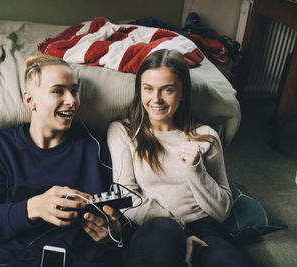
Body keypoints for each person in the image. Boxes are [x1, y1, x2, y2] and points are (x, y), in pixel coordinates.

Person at [0, 54, 128, 267]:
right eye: (58, 91)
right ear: (29, 100)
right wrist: (34, 208)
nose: (71, 101)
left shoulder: (94, 146)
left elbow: (121, 218)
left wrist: (113, 234)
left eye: (74, 91)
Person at [107, 49, 252, 267]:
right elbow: (126, 198)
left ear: (182, 93)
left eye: (168, 90)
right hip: (156, 227)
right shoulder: (123, 132)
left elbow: (222, 211)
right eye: (148, 89)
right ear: (140, 90)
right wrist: (180, 231)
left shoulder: (206, 136)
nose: (156, 99)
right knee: (163, 238)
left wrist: (196, 168)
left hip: (205, 230)